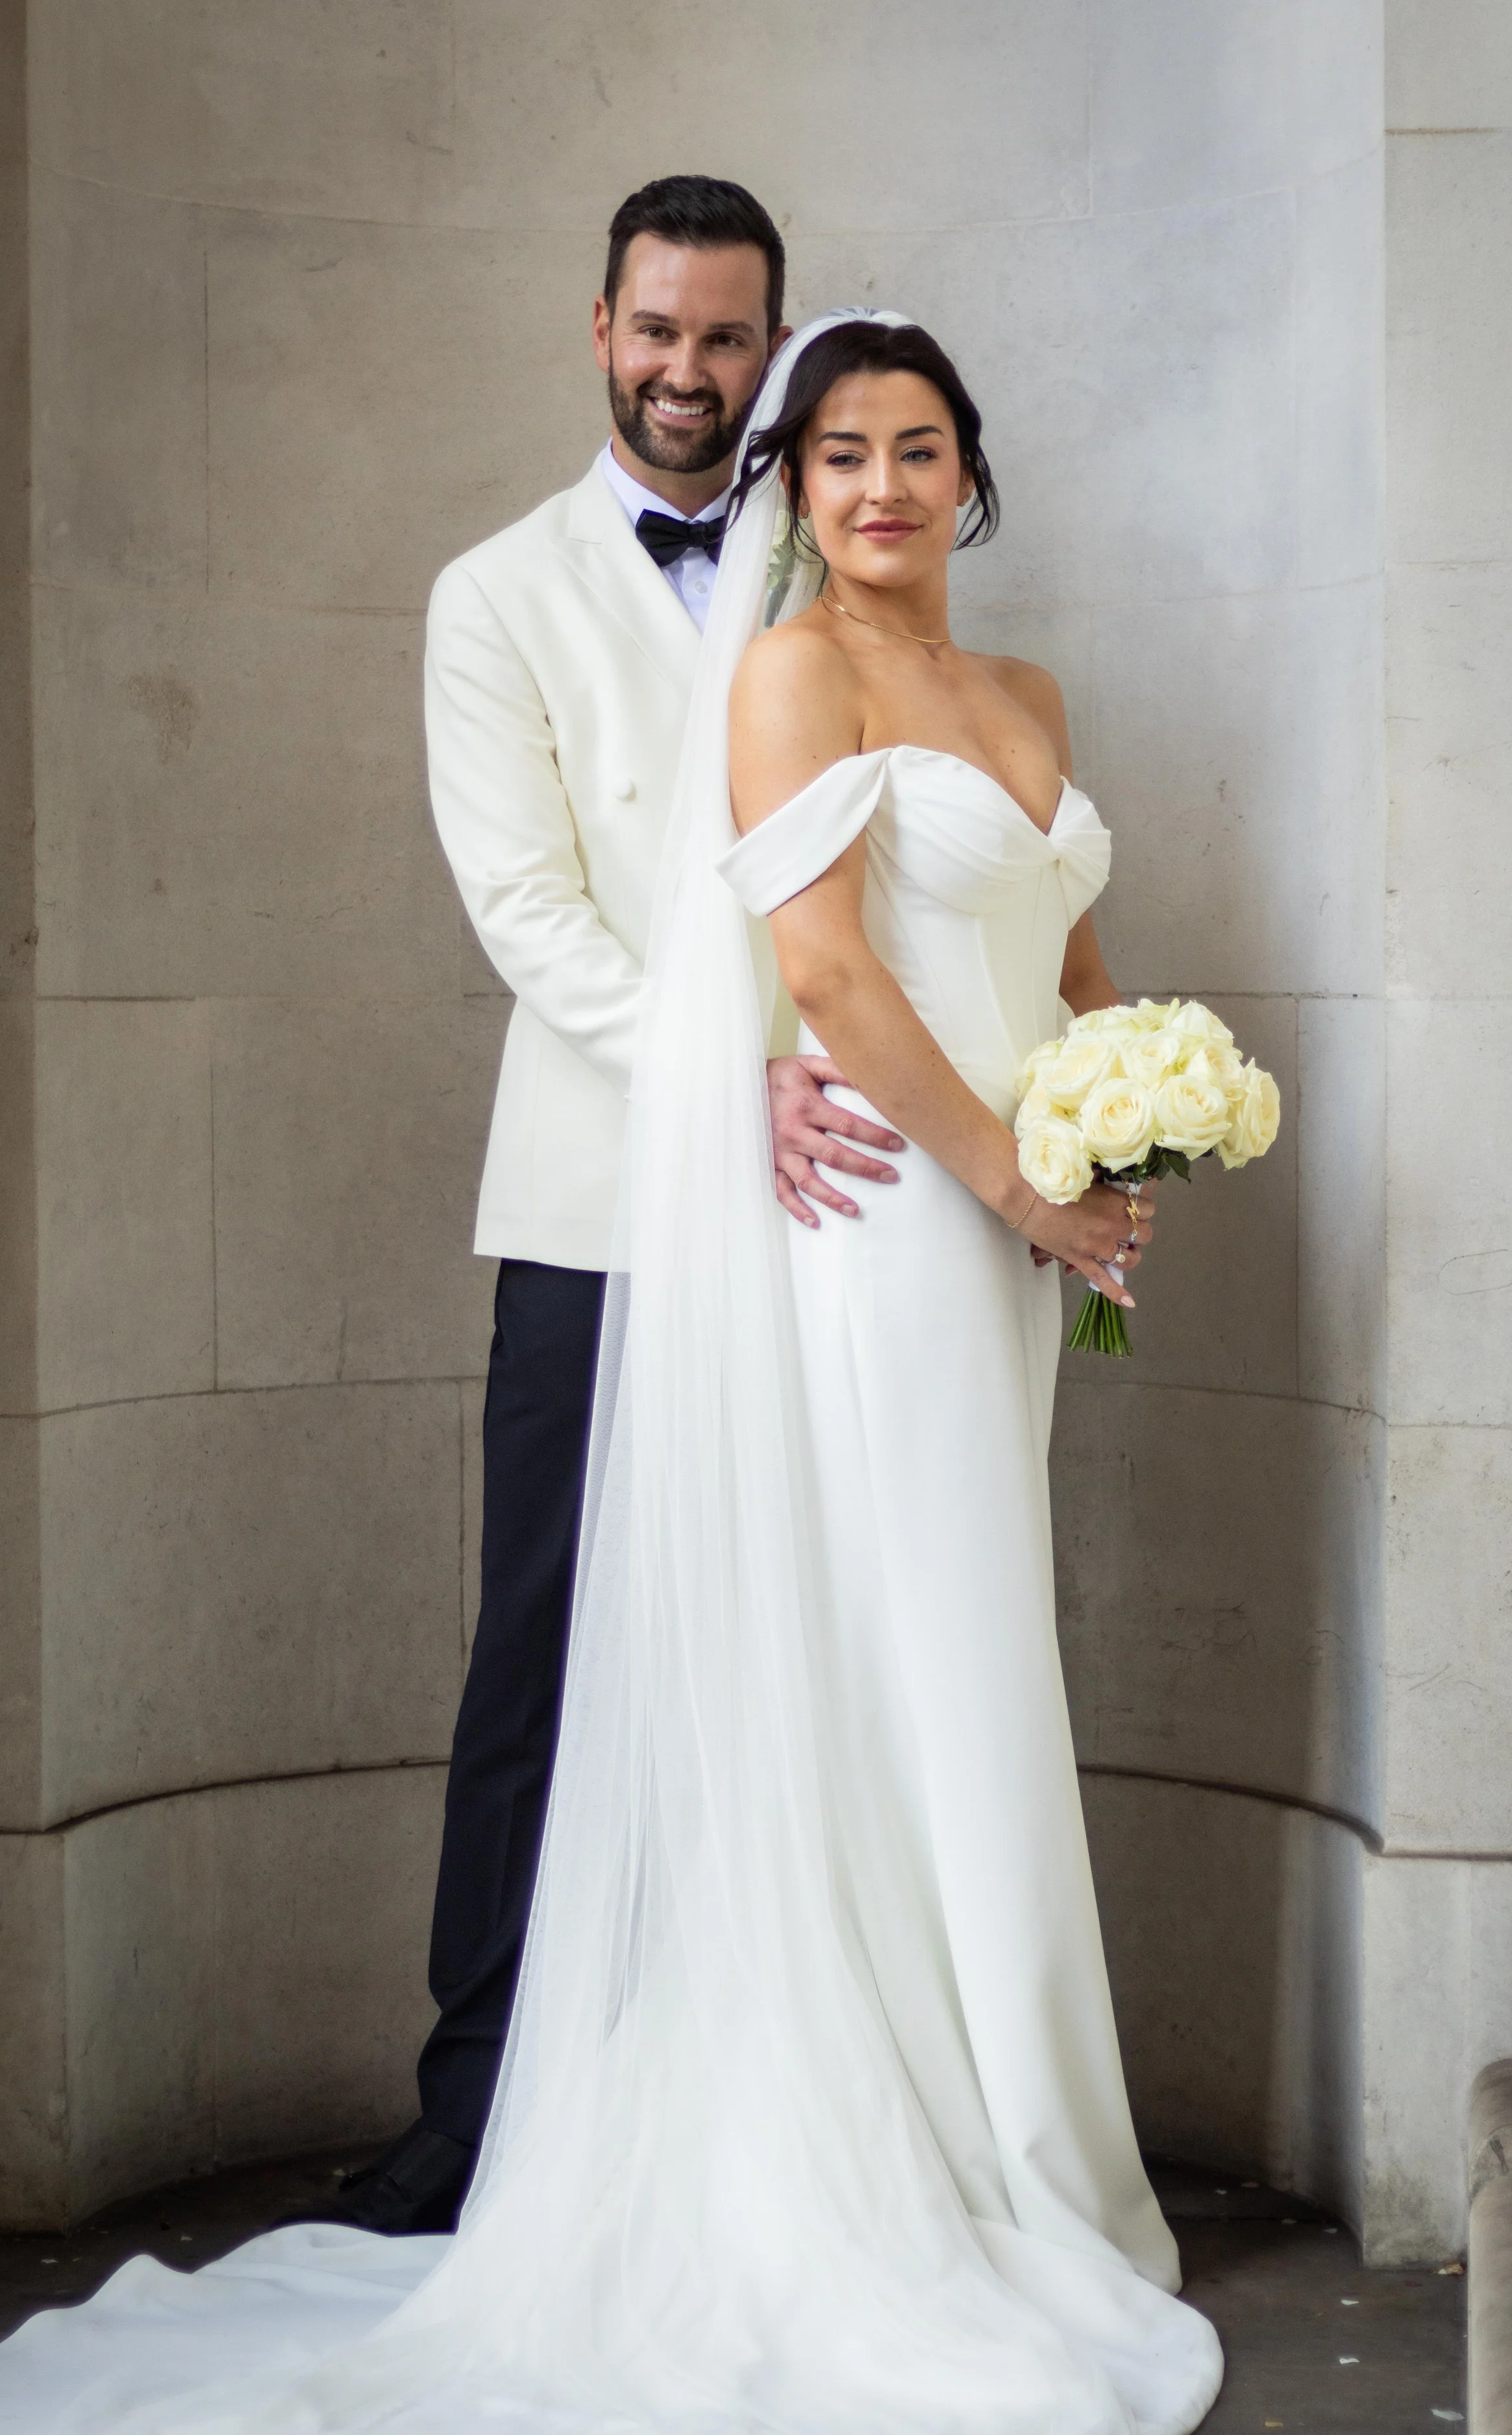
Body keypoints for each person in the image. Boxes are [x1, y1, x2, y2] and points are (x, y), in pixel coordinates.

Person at [0, 312, 1224, 2434]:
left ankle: (1000, 2127)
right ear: (790, 483)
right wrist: (1018, 1196)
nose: (878, 487)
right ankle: (917, 2153)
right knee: (902, 1652)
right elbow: (823, 971)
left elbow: (1071, 952)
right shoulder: (786, 673)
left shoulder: (1025, 696)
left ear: (970, 475)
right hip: (886, 1230)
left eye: (918, 449)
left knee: (966, 1652)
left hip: (1012, 1229)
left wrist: (1123, 1122)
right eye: (837, 452)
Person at [331, 176, 905, 2238]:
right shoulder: (494, 592)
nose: (688, 371)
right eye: (656, 332)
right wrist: (714, 1081)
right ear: (599, 331)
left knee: (805, 1639)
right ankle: (475, 2102)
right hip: (600, 1196)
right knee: (544, 1649)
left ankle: (767, 2095)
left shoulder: (824, 552)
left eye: (725, 339)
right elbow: (527, 912)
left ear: (770, 351)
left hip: (833, 1190)